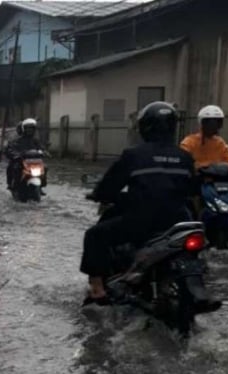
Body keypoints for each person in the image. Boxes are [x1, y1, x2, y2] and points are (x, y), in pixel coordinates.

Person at [81, 102, 195, 305]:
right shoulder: (185, 157)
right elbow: (193, 190)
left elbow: (109, 188)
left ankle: (97, 290)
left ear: (145, 127)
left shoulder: (133, 155)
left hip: (142, 222)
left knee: (93, 236)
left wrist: (99, 194)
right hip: (179, 223)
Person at [180, 105, 228, 172]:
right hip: (197, 178)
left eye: (218, 123)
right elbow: (183, 160)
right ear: (203, 123)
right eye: (211, 123)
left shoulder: (220, 143)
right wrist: (204, 166)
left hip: (218, 179)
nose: (214, 126)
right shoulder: (189, 142)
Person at [5, 118, 45, 190]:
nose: (30, 130)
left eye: (31, 128)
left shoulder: (35, 140)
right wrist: (15, 155)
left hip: (34, 162)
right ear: (23, 129)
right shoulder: (17, 140)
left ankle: (41, 185)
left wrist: (43, 152)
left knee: (45, 167)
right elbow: (10, 149)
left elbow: (41, 148)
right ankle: (14, 186)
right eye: (28, 128)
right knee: (15, 168)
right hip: (21, 161)